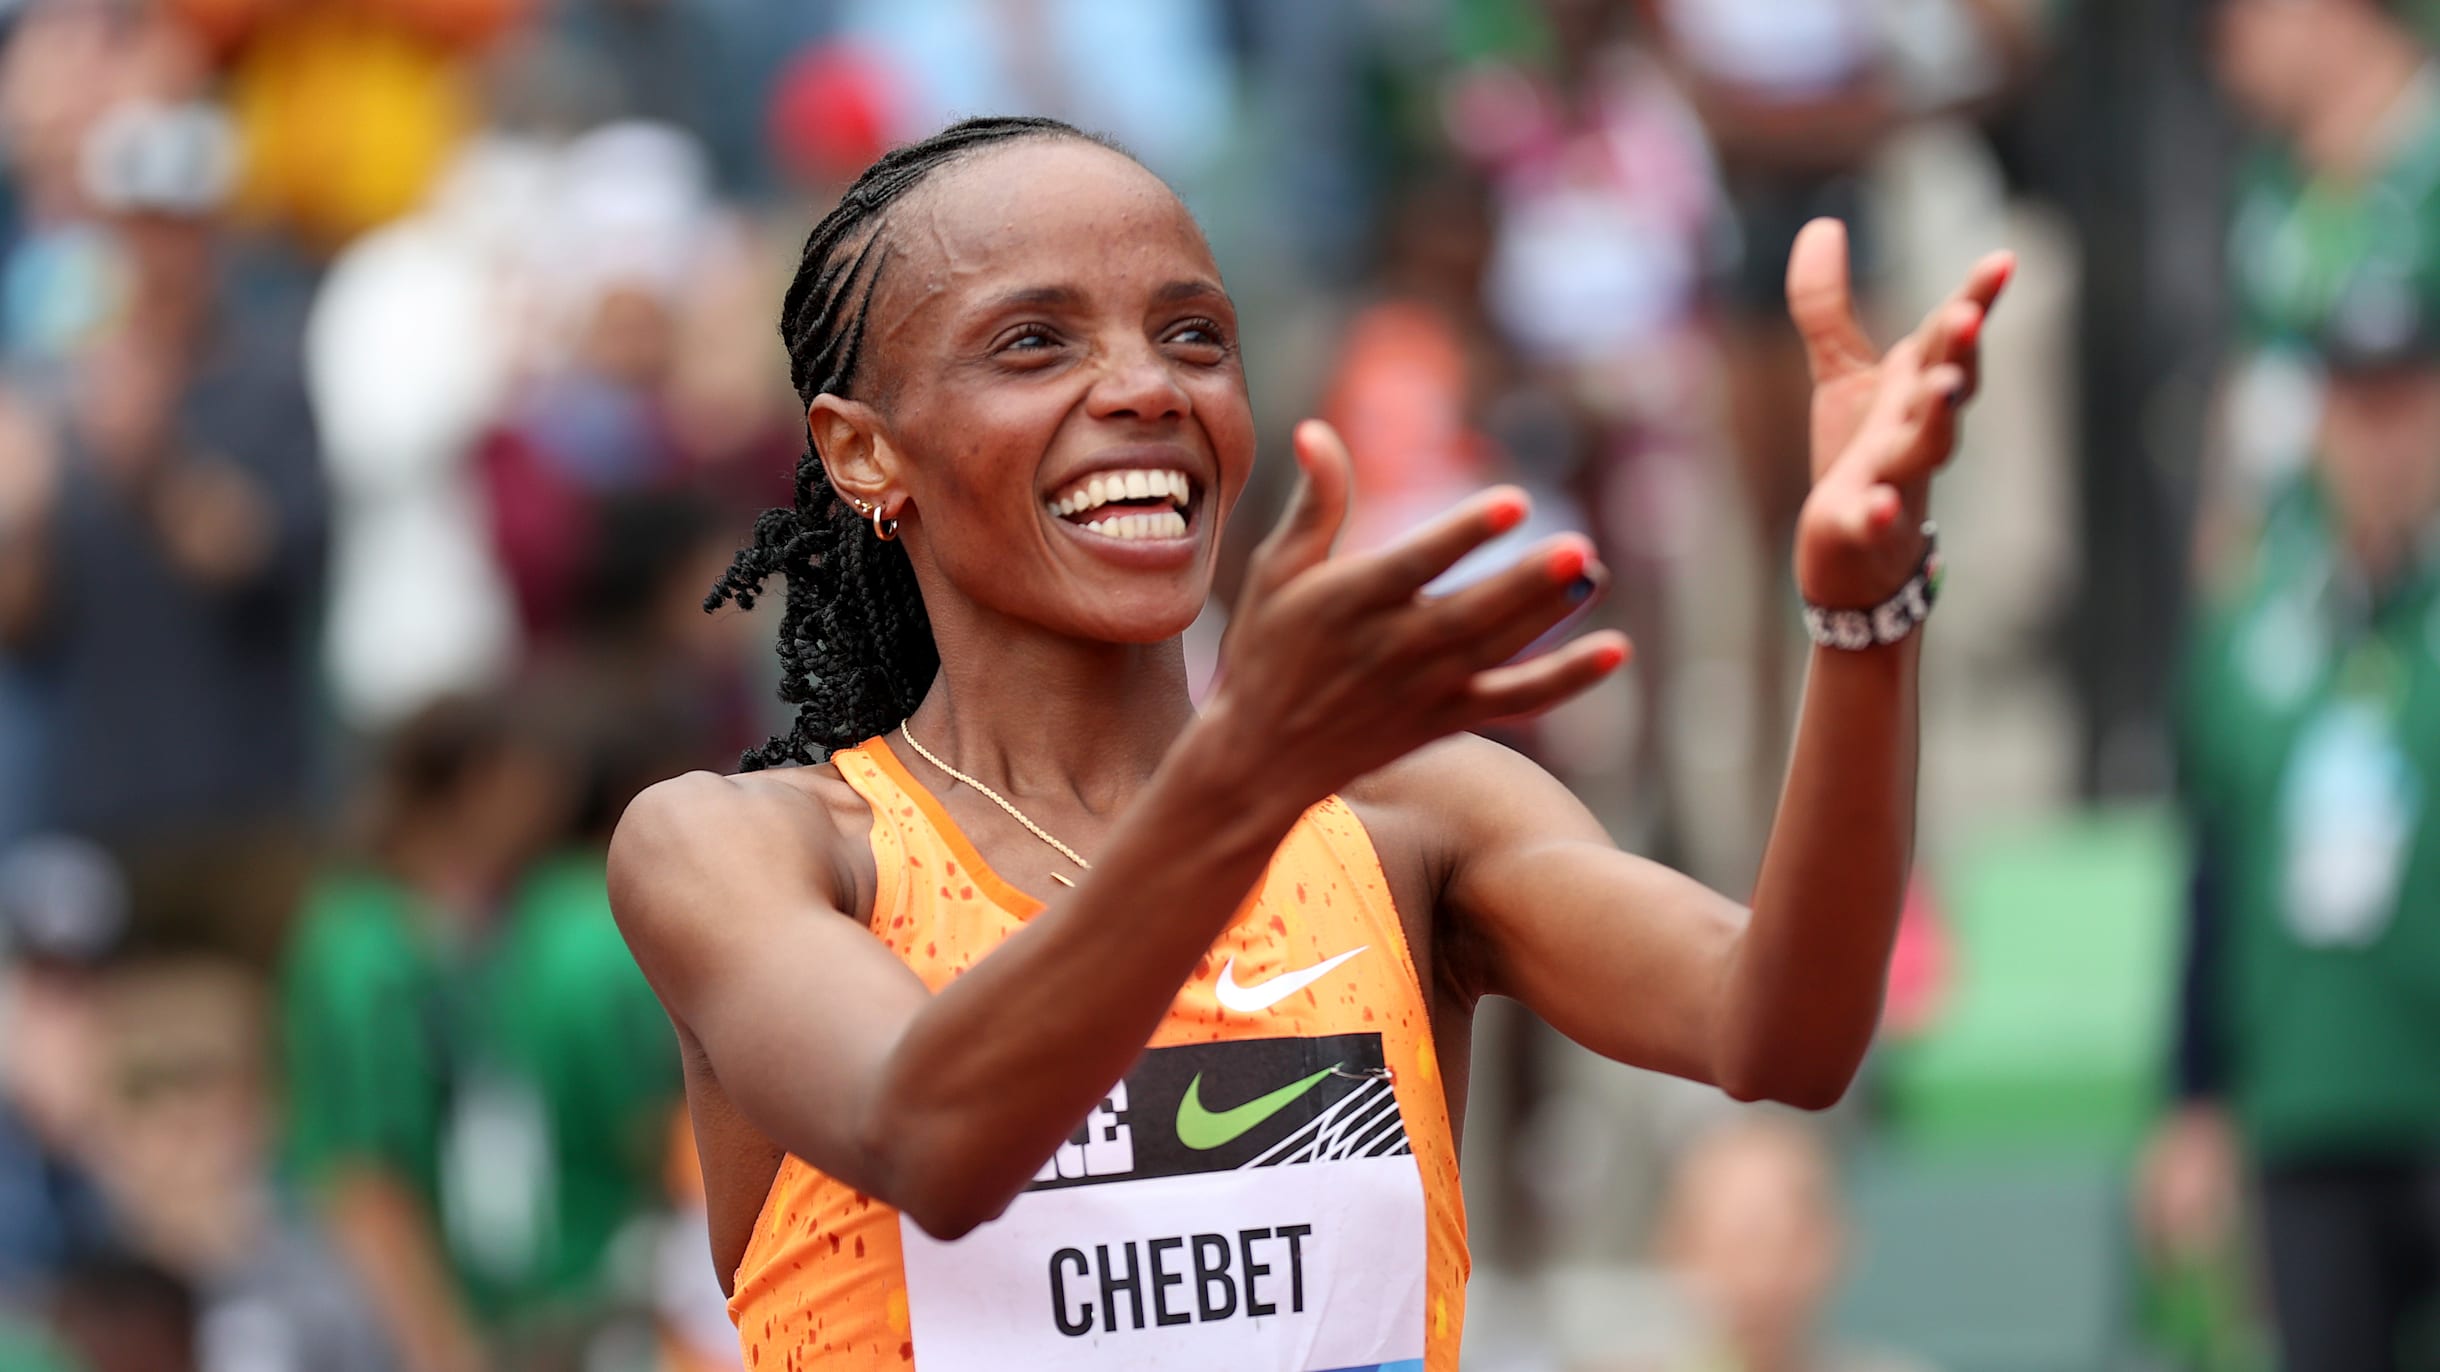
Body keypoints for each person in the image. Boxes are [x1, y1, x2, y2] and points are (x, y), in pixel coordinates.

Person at [609, 115, 2010, 1370]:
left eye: (1193, 335)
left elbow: (1786, 1028)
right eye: (1035, 342)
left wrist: (1865, 620)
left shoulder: (1406, 823)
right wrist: (1246, 775)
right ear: (863, 452)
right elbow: (932, 1138)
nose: (1148, 387)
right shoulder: (741, 852)